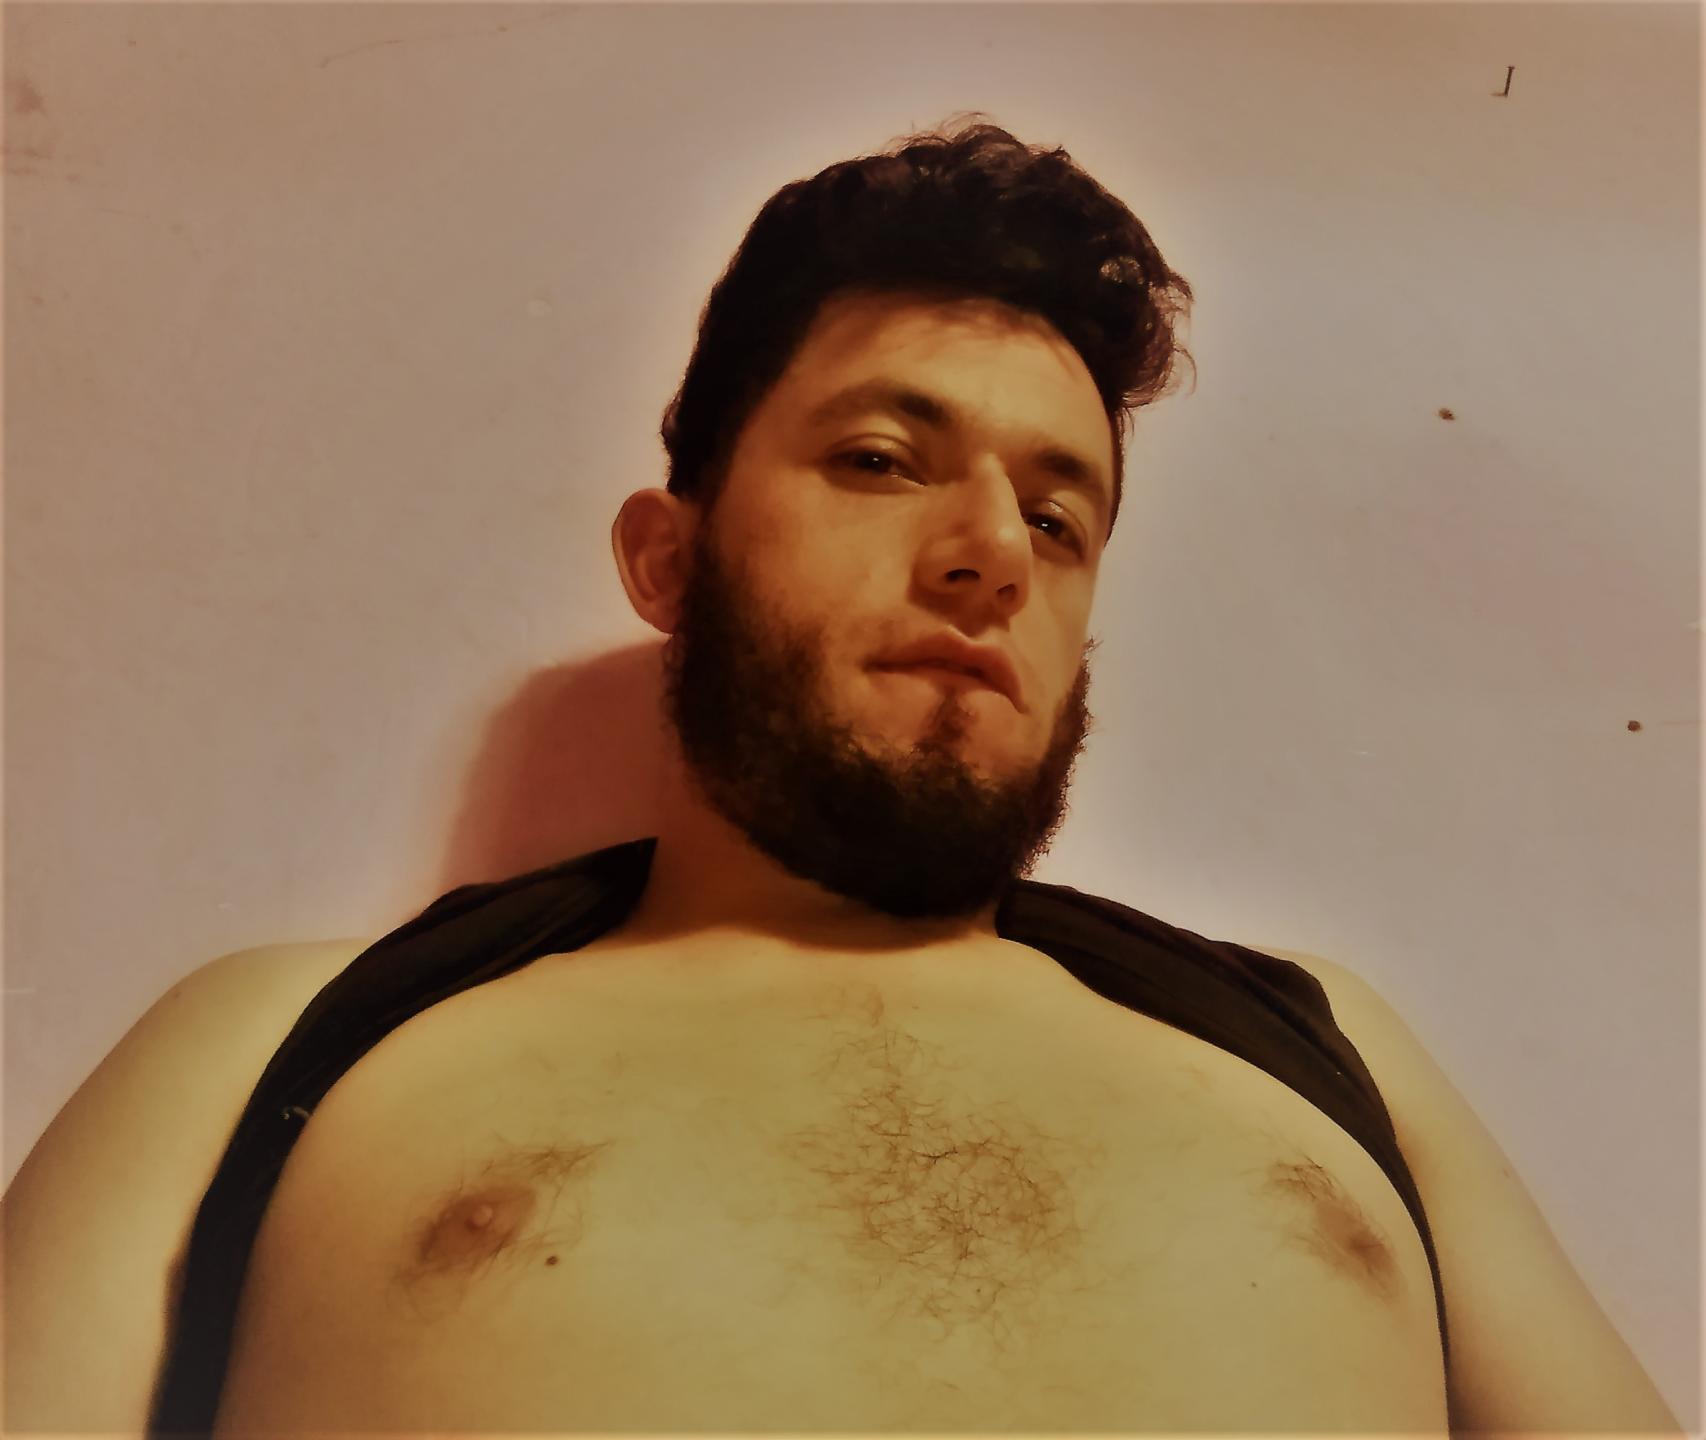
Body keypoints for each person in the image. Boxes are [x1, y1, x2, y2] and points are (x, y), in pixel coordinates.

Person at [5, 116, 1681, 1438]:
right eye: (881, 460)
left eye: (1057, 517)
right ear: (668, 559)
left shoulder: (1329, 1050)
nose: (990, 552)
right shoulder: (268, 1044)